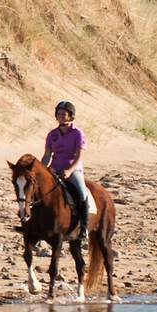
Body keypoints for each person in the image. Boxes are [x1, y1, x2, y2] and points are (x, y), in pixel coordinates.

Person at [38, 100, 93, 236]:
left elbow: (79, 156)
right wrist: (40, 171)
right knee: (37, 191)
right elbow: (47, 156)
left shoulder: (78, 133)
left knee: (82, 193)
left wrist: (69, 171)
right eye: (59, 113)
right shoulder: (52, 134)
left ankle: (84, 227)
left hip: (72, 169)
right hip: (54, 168)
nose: (61, 116)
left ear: (71, 116)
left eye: (64, 114)